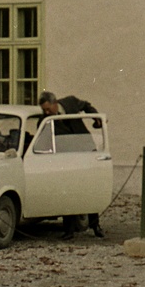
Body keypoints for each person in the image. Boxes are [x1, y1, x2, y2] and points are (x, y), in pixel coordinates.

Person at [37, 91, 106, 239]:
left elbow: (86, 106)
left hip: (85, 150)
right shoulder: (44, 121)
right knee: (69, 191)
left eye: (48, 109)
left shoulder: (70, 102)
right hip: (67, 158)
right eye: (44, 110)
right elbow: (43, 141)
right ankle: (69, 230)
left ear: (55, 103)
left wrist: (96, 118)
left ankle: (95, 225)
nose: (47, 112)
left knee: (89, 189)